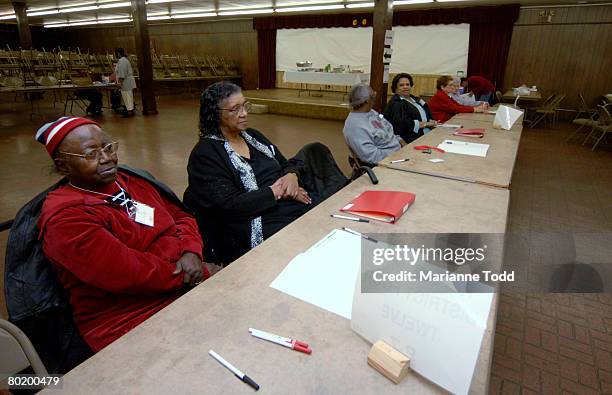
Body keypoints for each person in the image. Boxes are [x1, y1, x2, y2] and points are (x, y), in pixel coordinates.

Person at [31, 116, 209, 353]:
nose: (106, 159)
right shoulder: (65, 219)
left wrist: (191, 251)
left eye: (108, 147)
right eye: (90, 154)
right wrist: (190, 273)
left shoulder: (130, 181)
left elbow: (182, 217)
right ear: (63, 166)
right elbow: (129, 273)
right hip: (127, 315)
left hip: (179, 279)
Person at [184, 81, 347, 265]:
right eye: (235, 109)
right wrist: (277, 192)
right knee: (312, 229)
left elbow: (284, 163)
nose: (244, 113)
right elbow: (229, 206)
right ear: (215, 114)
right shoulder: (206, 153)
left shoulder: (252, 136)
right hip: (255, 218)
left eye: (245, 106)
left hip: (283, 198)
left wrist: (291, 177)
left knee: (316, 152)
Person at [343, 83, 403, 165]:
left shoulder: (371, 112)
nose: (375, 96)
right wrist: (398, 156)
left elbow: (385, 127)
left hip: (398, 152)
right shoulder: (355, 126)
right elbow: (372, 157)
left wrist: (399, 140)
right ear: (367, 100)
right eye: (373, 95)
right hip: (389, 161)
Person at [383, 73, 437, 144]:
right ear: (395, 88)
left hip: (428, 134)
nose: (405, 87)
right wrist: (427, 124)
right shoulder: (396, 103)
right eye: (401, 85)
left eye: (407, 84)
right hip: (411, 139)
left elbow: (427, 113)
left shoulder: (415, 99)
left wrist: (432, 121)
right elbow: (403, 124)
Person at [115, 48, 136, 117]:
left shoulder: (122, 61)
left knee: (127, 97)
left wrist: (119, 83)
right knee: (128, 97)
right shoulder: (124, 60)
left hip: (125, 82)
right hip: (126, 81)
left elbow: (122, 74)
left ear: (118, 53)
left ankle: (130, 112)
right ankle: (129, 110)